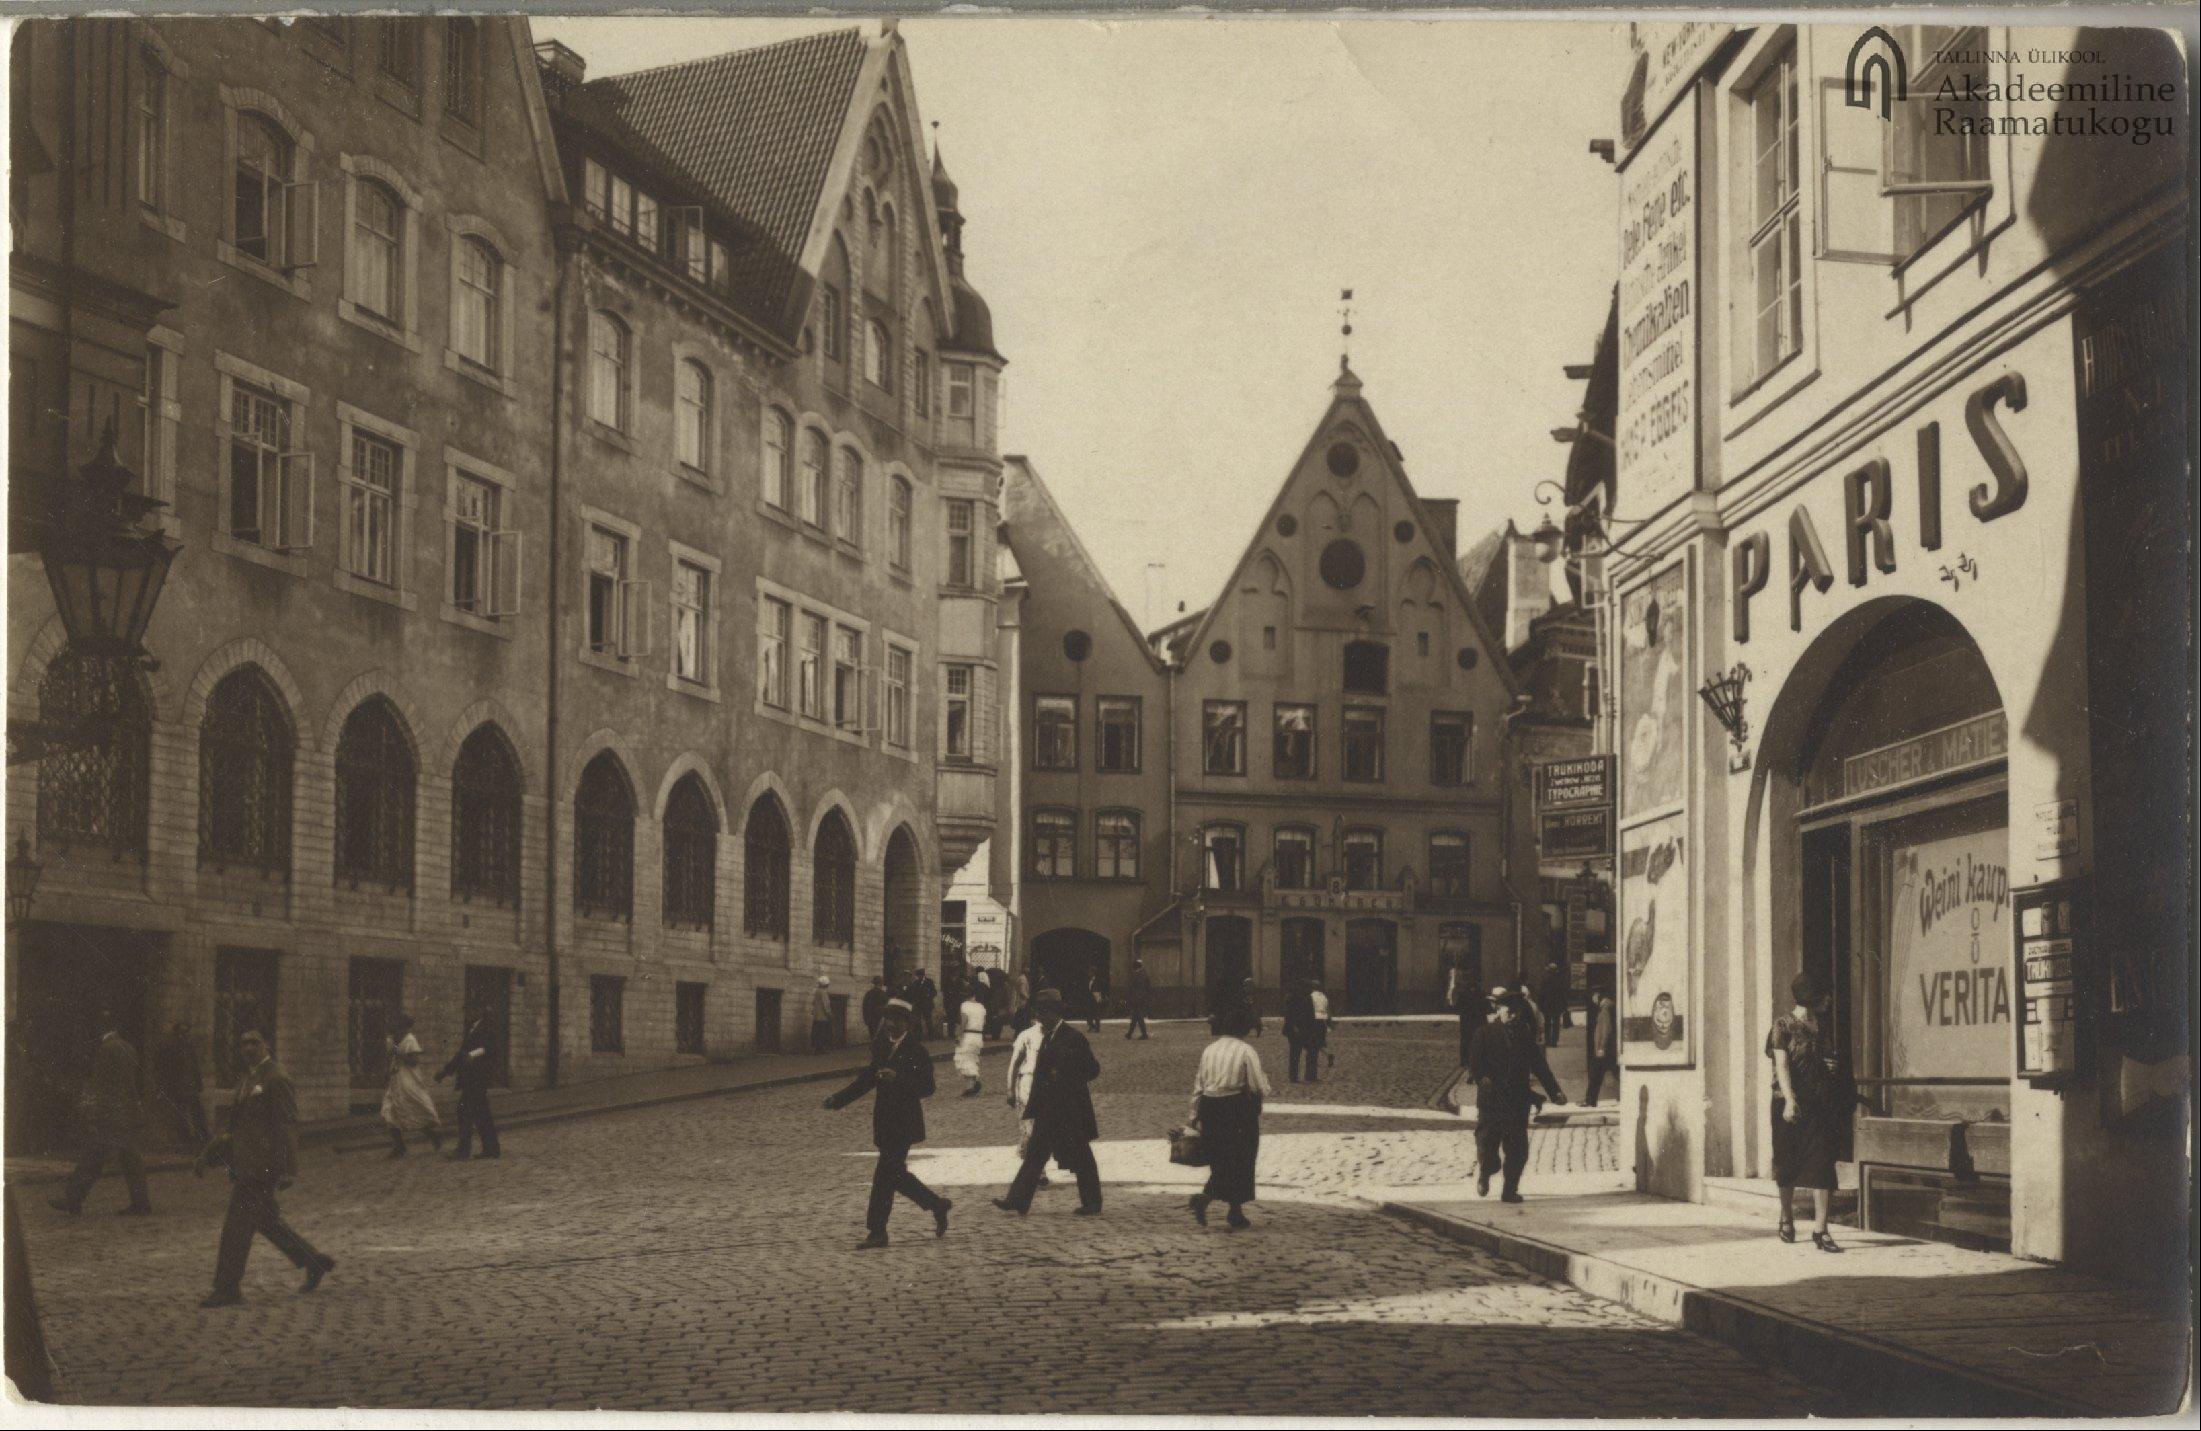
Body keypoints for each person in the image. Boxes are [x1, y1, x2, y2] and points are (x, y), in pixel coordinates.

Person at [198, 1029, 334, 1307]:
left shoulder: (276, 1078)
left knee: (236, 1227)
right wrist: (209, 1154)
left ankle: (227, 1288)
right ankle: (314, 1261)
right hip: (246, 1164)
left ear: (267, 1044)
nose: (248, 1048)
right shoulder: (249, 1078)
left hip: (262, 1168)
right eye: (243, 1043)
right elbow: (236, 1126)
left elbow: (286, 1125)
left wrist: (287, 1169)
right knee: (266, 1222)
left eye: (254, 1042)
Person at [822, 999, 950, 1250]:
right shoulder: (881, 1046)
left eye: (894, 1019)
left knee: (883, 1177)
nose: (888, 1024)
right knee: (895, 1175)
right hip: (884, 1122)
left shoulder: (917, 1051)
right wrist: (839, 1099)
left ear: (906, 1022)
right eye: (886, 1019)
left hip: (905, 1123)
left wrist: (898, 1078)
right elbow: (867, 1079)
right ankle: (937, 1205)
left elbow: (927, 1087)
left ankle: (877, 1232)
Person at [994, 990, 1102, 1216]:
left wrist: (1064, 1076)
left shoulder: (1073, 1037)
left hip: (1070, 1109)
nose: (1039, 1017)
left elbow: (1092, 1070)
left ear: (1054, 1013)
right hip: (1048, 1109)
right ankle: (1017, 1200)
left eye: (1042, 1013)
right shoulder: (1046, 1036)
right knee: (1035, 1154)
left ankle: (1092, 1203)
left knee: (1081, 1156)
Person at [48, 1017, 152, 1217]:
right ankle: (141, 1204)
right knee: (130, 1159)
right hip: (126, 1114)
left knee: (92, 1156)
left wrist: (94, 1112)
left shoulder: (106, 1049)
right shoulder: (128, 1047)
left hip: (112, 1115)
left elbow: (102, 1084)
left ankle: (73, 1199)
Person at [1769, 973, 1842, 1252]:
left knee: (1823, 1162)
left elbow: (1821, 1060)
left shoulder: (1820, 1025)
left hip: (1818, 1104)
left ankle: (1821, 1230)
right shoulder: (1782, 1026)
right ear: (1812, 997)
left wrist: (1828, 1068)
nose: (1829, 1000)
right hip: (1788, 1104)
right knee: (1787, 1163)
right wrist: (1789, 1100)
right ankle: (1787, 1217)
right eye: (1824, 994)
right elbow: (1782, 1066)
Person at [1188, 1005, 1273, 1230]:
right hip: (1235, 1108)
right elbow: (1256, 1085)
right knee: (1242, 1158)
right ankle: (1216, 1202)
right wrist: (1264, 1091)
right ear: (1243, 1029)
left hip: (1210, 1106)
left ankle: (1233, 1210)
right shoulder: (1246, 1051)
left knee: (1220, 1157)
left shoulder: (1210, 1049)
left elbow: (1199, 1083)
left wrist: (1193, 1115)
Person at [1465, 988, 1534, 1203]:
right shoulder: (1484, 1033)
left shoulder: (1524, 1034)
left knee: (1518, 1149)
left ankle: (1509, 1190)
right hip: (1492, 1100)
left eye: (1516, 1012)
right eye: (1509, 1011)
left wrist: (1555, 1090)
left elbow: (1539, 1064)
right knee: (1487, 1143)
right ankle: (1485, 1173)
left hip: (1517, 1101)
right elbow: (1474, 1062)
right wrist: (1481, 1077)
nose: (1513, 1015)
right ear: (1498, 1010)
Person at [435, 1007, 501, 1160]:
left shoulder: (486, 1027)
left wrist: (473, 1055)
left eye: (470, 1010)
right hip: (472, 1078)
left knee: (463, 1111)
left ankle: (464, 1150)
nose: (467, 1013)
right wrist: (445, 1072)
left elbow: (492, 1047)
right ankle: (491, 1149)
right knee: (481, 1113)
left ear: (478, 1012)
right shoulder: (472, 1028)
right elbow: (461, 1054)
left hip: (478, 1077)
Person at [1005, 1008, 1054, 1189]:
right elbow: (1014, 1064)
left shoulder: (1055, 1036)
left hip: (1048, 1087)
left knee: (1045, 1127)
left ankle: (1038, 1167)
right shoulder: (1026, 1036)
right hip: (1027, 1084)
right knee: (1028, 1127)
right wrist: (1010, 1090)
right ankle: (1037, 1171)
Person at [379, 1014, 441, 1158]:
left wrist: (398, 1053)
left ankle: (433, 1136)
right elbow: (390, 1057)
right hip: (395, 1081)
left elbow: (414, 1061)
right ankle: (400, 1146)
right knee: (389, 1111)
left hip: (408, 1081)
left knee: (414, 1109)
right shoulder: (393, 1040)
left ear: (403, 1027)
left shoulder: (410, 1040)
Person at [152, 1021, 210, 1149]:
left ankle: (202, 1137)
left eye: (186, 1032)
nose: (185, 1035)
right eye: (182, 1032)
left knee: (196, 1112)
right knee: (181, 1114)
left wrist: (199, 1084)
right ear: (177, 1032)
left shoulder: (188, 1045)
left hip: (189, 1085)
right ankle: (186, 1140)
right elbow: (165, 1069)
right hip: (177, 1086)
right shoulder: (170, 1046)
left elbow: (195, 1066)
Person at [1516, 982, 1569, 1106]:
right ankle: (1553, 1095)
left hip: (1525, 1043)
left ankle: (1540, 1097)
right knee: (1541, 1070)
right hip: (1531, 1041)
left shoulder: (1524, 1006)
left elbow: (1534, 1025)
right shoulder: (1531, 1005)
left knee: (1527, 1074)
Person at [1282, 980, 1325, 1084]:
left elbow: (1311, 1014)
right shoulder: (1291, 998)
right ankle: (1294, 1077)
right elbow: (1288, 1014)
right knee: (1295, 1053)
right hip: (1295, 1030)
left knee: (1312, 1052)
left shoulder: (1307, 997)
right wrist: (1294, 1026)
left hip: (1307, 1029)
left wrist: (1313, 1028)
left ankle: (1310, 1075)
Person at [1585, 992, 1620, 1104]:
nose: (1593, 1000)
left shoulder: (1604, 1010)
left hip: (1603, 1050)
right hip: (1607, 1049)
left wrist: (1601, 1047)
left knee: (1596, 1075)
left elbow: (1605, 1030)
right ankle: (1590, 1099)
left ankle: (1590, 1100)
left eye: (1594, 997)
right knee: (1613, 1073)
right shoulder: (1608, 1008)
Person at [953, 986, 989, 1097]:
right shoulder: (981, 1007)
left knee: (964, 1060)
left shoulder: (964, 1006)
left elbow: (964, 1022)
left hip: (968, 1035)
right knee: (972, 1059)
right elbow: (984, 1022)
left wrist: (959, 1035)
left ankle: (971, 1086)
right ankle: (973, 1083)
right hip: (978, 1036)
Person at [1540, 965, 1572, 1049]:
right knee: (1556, 1023)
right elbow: (1563, 994)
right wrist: (1564, 1006)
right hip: (1556, 1006)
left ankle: (1547, 1041)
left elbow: (1541, 994)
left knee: (1547, 1023)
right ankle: (1554, 1041)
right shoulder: (1559, 981)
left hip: (1547, 1005)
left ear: (1549, 972)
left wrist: (1541, 1005)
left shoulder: (1544, 980)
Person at [1124, 960, 1153, 1040]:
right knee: (1135, 1017)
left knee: (1138, 1017)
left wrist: (1130, 999)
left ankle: (1142, 1034)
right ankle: (1130, 1033)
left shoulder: (1137, 975)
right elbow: (1148, 988)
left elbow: (1133, 988)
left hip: (1137, 1000)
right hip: (1141, 999)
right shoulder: (1144, 974)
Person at [809, 975, 837, 1054]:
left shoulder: (816, 991)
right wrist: (829, 1014)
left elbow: (814, 1003)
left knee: (816, 1033)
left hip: (816, 1017)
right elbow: (826, 1005)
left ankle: (817, 1049)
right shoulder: (823, 992)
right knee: (823, 1033)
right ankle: (822, 1049)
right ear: (826, 984)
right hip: (823, 1017)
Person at [1310, 979, 1334, 1069]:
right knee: (1321, 1041)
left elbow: (1310, 1009)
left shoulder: (1311, 996)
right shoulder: (1324, 997)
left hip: (1315, 1019)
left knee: (1313, 1042)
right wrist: (1329, 1022)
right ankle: (1327, 1055)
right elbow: (1328, 1010)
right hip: (1323, 1020)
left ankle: (1322, 1057)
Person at [861, 976, 889, 1041]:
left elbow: (865, 1007)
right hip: (881, 1019)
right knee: (880, 1037)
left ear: (874, 983)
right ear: (881, 984)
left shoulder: (869, 993)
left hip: (871, 1019)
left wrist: (866, 1019)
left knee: (872, 1036)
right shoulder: (883, 994)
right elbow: (887, 1007)